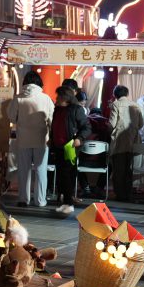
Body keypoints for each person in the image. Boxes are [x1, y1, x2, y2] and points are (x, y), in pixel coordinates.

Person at [8, 71, 54, 208]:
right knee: (41, 170)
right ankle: (40, 200)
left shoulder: (18, 98)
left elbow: (11, 117)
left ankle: (23, 199)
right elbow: (52, 119)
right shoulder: (46, 98)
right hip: (42, 139)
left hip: (23, 139)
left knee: (24, 170)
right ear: (39, 83)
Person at [50, 85, 90, 214]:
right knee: (61, 175)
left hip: (70, 146)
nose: (57, 98)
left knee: (67, 175)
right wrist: (51, 139)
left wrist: (79, 139)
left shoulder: (76, 109)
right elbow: (54, 126)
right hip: (58, 147)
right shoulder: (57, 110)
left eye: (59, 96)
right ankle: (64, 202)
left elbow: (86, 127)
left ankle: (69, 203)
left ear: (65, 97)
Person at [108, 85, 144, 201]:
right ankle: (128, 193)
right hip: (133, 140)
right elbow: (141, 124)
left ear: (115, 95)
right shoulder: (135, 105)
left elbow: (112, 124)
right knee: (129, 169)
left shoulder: (116, 104)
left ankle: (120, 194)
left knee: (119, 169)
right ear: (127, 94)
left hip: (119, 140)